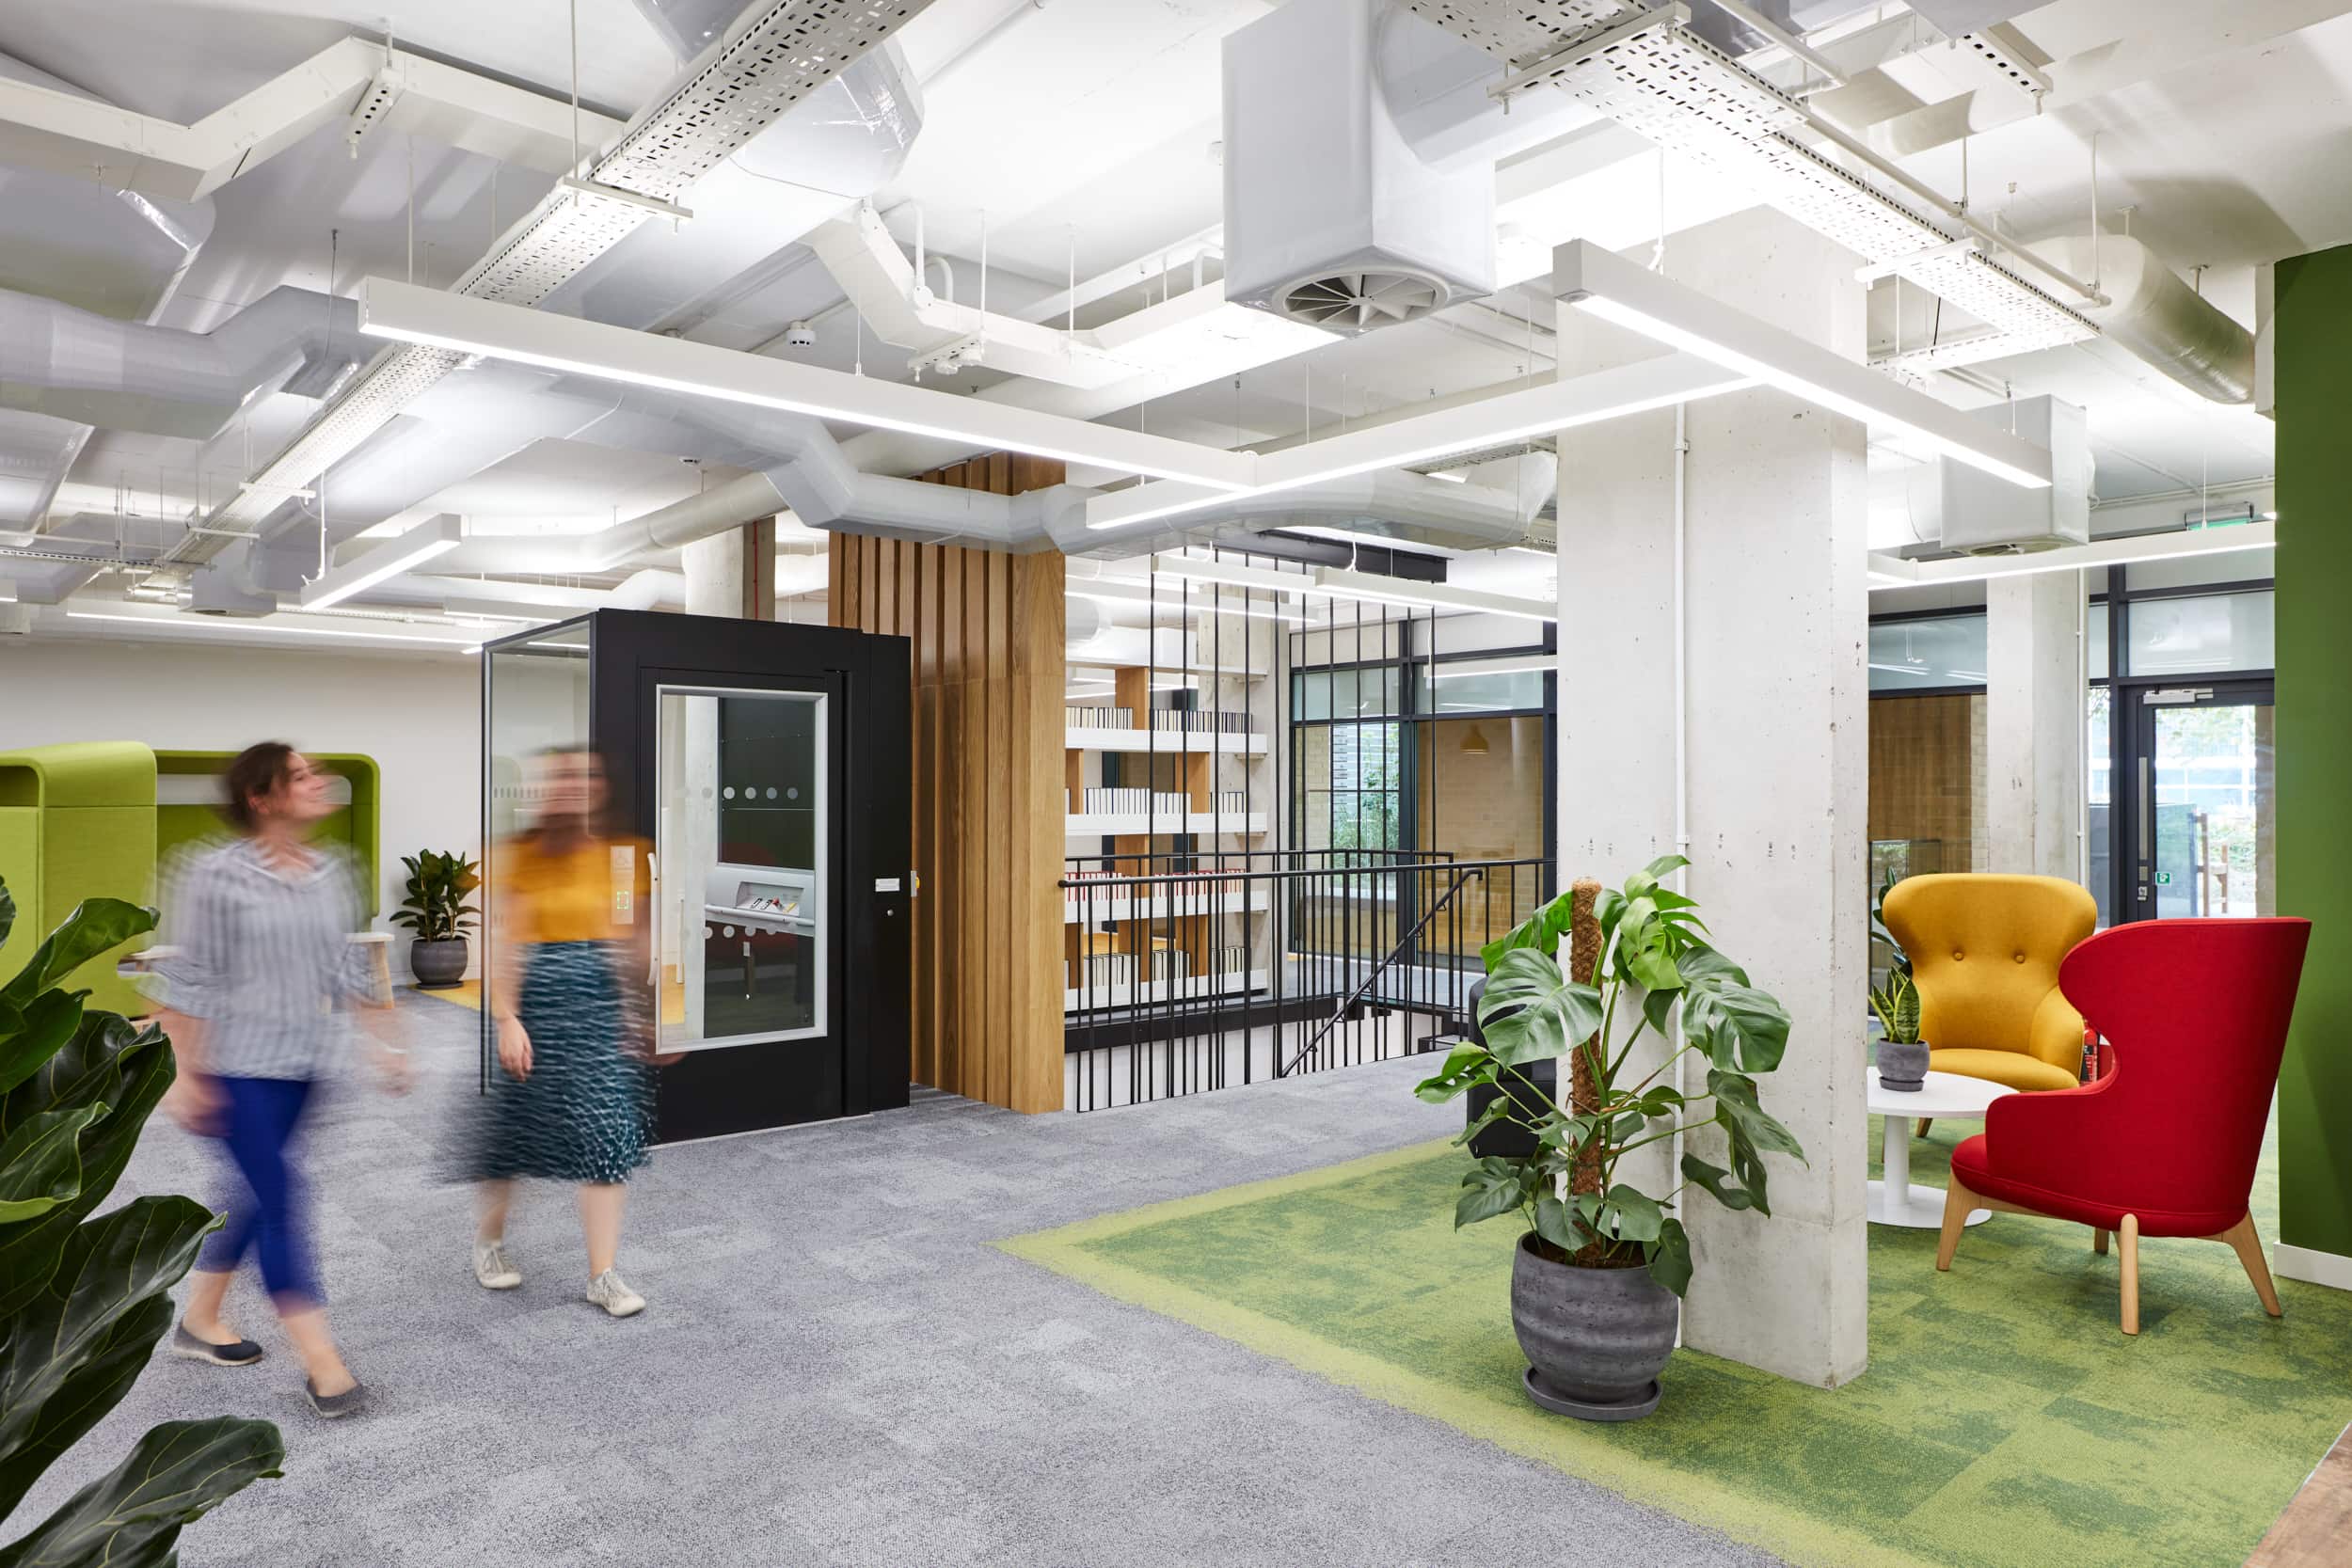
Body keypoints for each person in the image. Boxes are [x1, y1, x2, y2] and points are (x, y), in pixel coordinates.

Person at [156, 742, 407, 1419]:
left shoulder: (333, 870)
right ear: (260, 798)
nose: (316, 781)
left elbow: (347, 970)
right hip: (235, 1069)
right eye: (298, 776)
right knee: (284, 1194)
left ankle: (200, 1321)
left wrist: (387, 1044)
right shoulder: (211, 873)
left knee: (253, 1194)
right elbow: (186, 980)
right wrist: (186, 1074)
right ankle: (323, 1365)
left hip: (305, 1066)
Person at [469, 748, 657, 1318]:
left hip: (598, 1015)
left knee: (605, 1138)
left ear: (600, 788)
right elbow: (503, 945)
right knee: (515, 1137)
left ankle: (602, 1275)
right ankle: (489, 1243)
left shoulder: (623, 856)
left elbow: (632, 936)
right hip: (535, 1011)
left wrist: (643, 1015)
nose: (574, 786)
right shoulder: (520, 857)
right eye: (563, 777)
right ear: (545, 789)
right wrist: (507, 1018)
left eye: (587, 776)